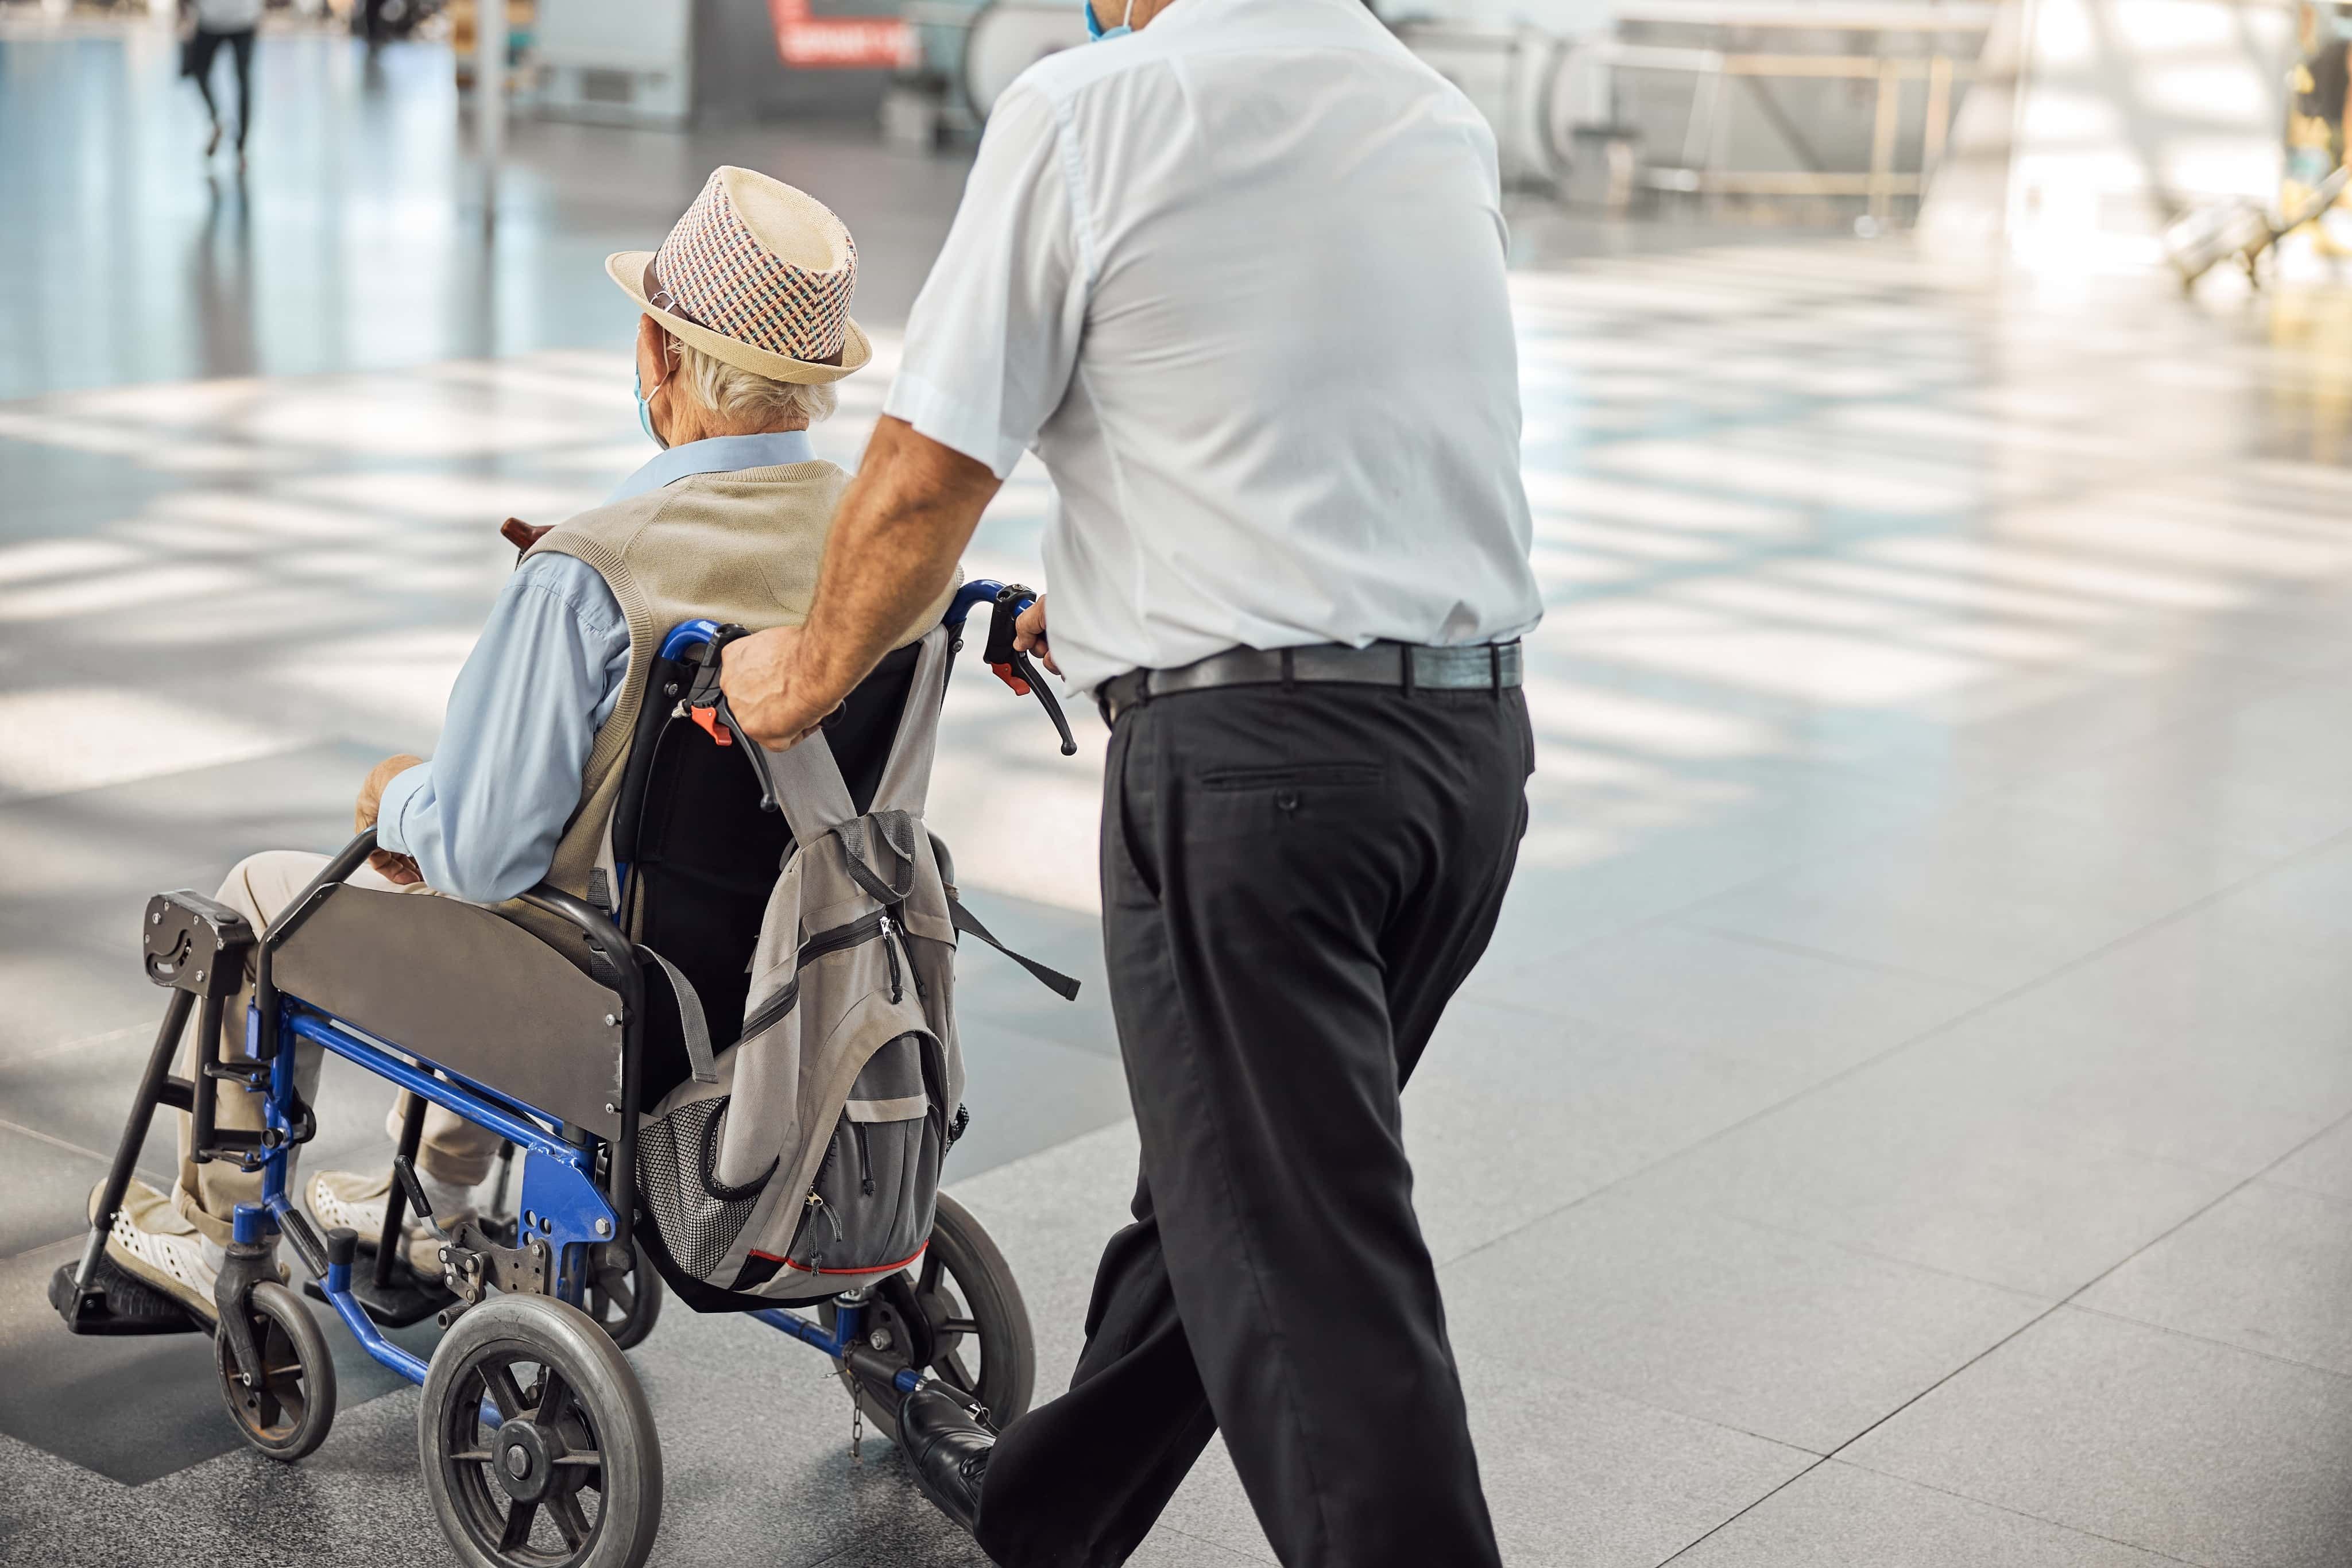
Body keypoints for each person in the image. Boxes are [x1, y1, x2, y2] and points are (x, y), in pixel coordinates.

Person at [716, 0, 1542, 1561]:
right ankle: (1053, 1517)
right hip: (1466, 762)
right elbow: (1319, 427)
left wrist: (802, 673)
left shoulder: (1086, 109)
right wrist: (1095, 606)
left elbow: (925, 473)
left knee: (1311, 1278)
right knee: (1241, 1201)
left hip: (1259, 792)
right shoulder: (1427, 108)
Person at [97, 167, 951, 1322]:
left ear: (657, 351)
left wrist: (396, 804)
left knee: (275, 890)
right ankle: (438, 1191)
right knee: (523, 889)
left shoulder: (596, 569)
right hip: (801, 968)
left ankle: (217, 1225)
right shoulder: (884, 558)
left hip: (601, 995)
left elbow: (487, 858)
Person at [185, 0, 261, 165]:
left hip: (228, 17)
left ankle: (221, 125)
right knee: (242, 80)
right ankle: (239, 145)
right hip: (232, 16)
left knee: (204, 71)